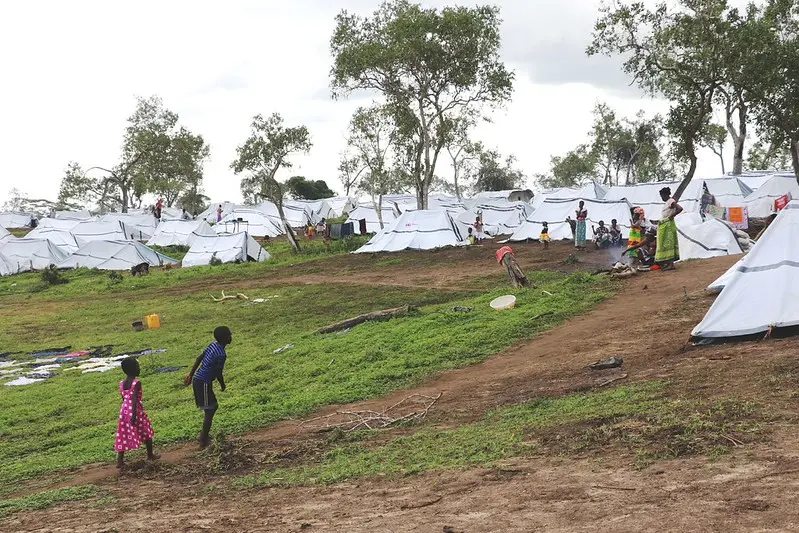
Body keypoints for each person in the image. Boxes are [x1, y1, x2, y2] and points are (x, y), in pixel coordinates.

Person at [185, 326, 232, 449]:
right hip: (204, 382)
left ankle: (203, 436)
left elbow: (199, 358)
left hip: (199, 380)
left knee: (212, 407)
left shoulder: (213, 345)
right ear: (225, 338)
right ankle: (203, 440)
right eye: (229, 335)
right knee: (210, 410)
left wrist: (190, 374)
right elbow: (218, 373)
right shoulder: (221, 354)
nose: (231, 337)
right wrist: (222, 385)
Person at [115, 357, 156, 469]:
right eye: (137, 366)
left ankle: (120, 461)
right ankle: (150, 455)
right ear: (132, 369)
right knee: (146, 430)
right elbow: (133, 399)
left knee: (123, 434)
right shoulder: (137, 382)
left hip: (123, 410)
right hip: (135, 410)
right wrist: (133, 414)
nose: (139, 368)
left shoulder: (122, 383)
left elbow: (124, 398)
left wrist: (127, 412)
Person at [655, 187, 683, 270]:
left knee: (668, 243)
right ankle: (668, 263)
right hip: (664, 225)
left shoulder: (671, 201)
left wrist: (670, 217)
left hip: (668, 225)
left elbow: (680, 208)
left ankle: (671, 264)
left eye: (662, 196)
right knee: (664, 244)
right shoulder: (667, 202)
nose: (661, 198)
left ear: (665, 195)